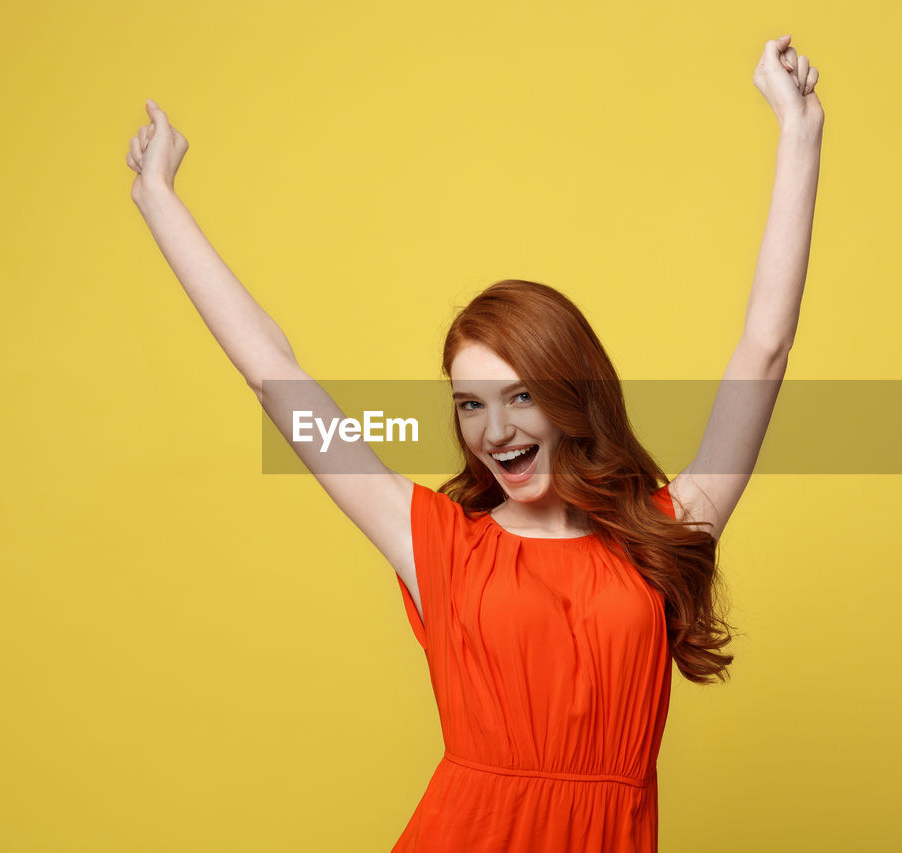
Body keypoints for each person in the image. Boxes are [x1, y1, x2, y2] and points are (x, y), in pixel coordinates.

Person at [126, 34, 822, 853]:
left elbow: (765, 347)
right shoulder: (439, 545)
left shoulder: (664, 533)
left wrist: (798, 130)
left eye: (521, 396)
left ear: (572, 396)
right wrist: (159, 198)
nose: (495, 431)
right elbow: (271, 370)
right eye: (469, 404)